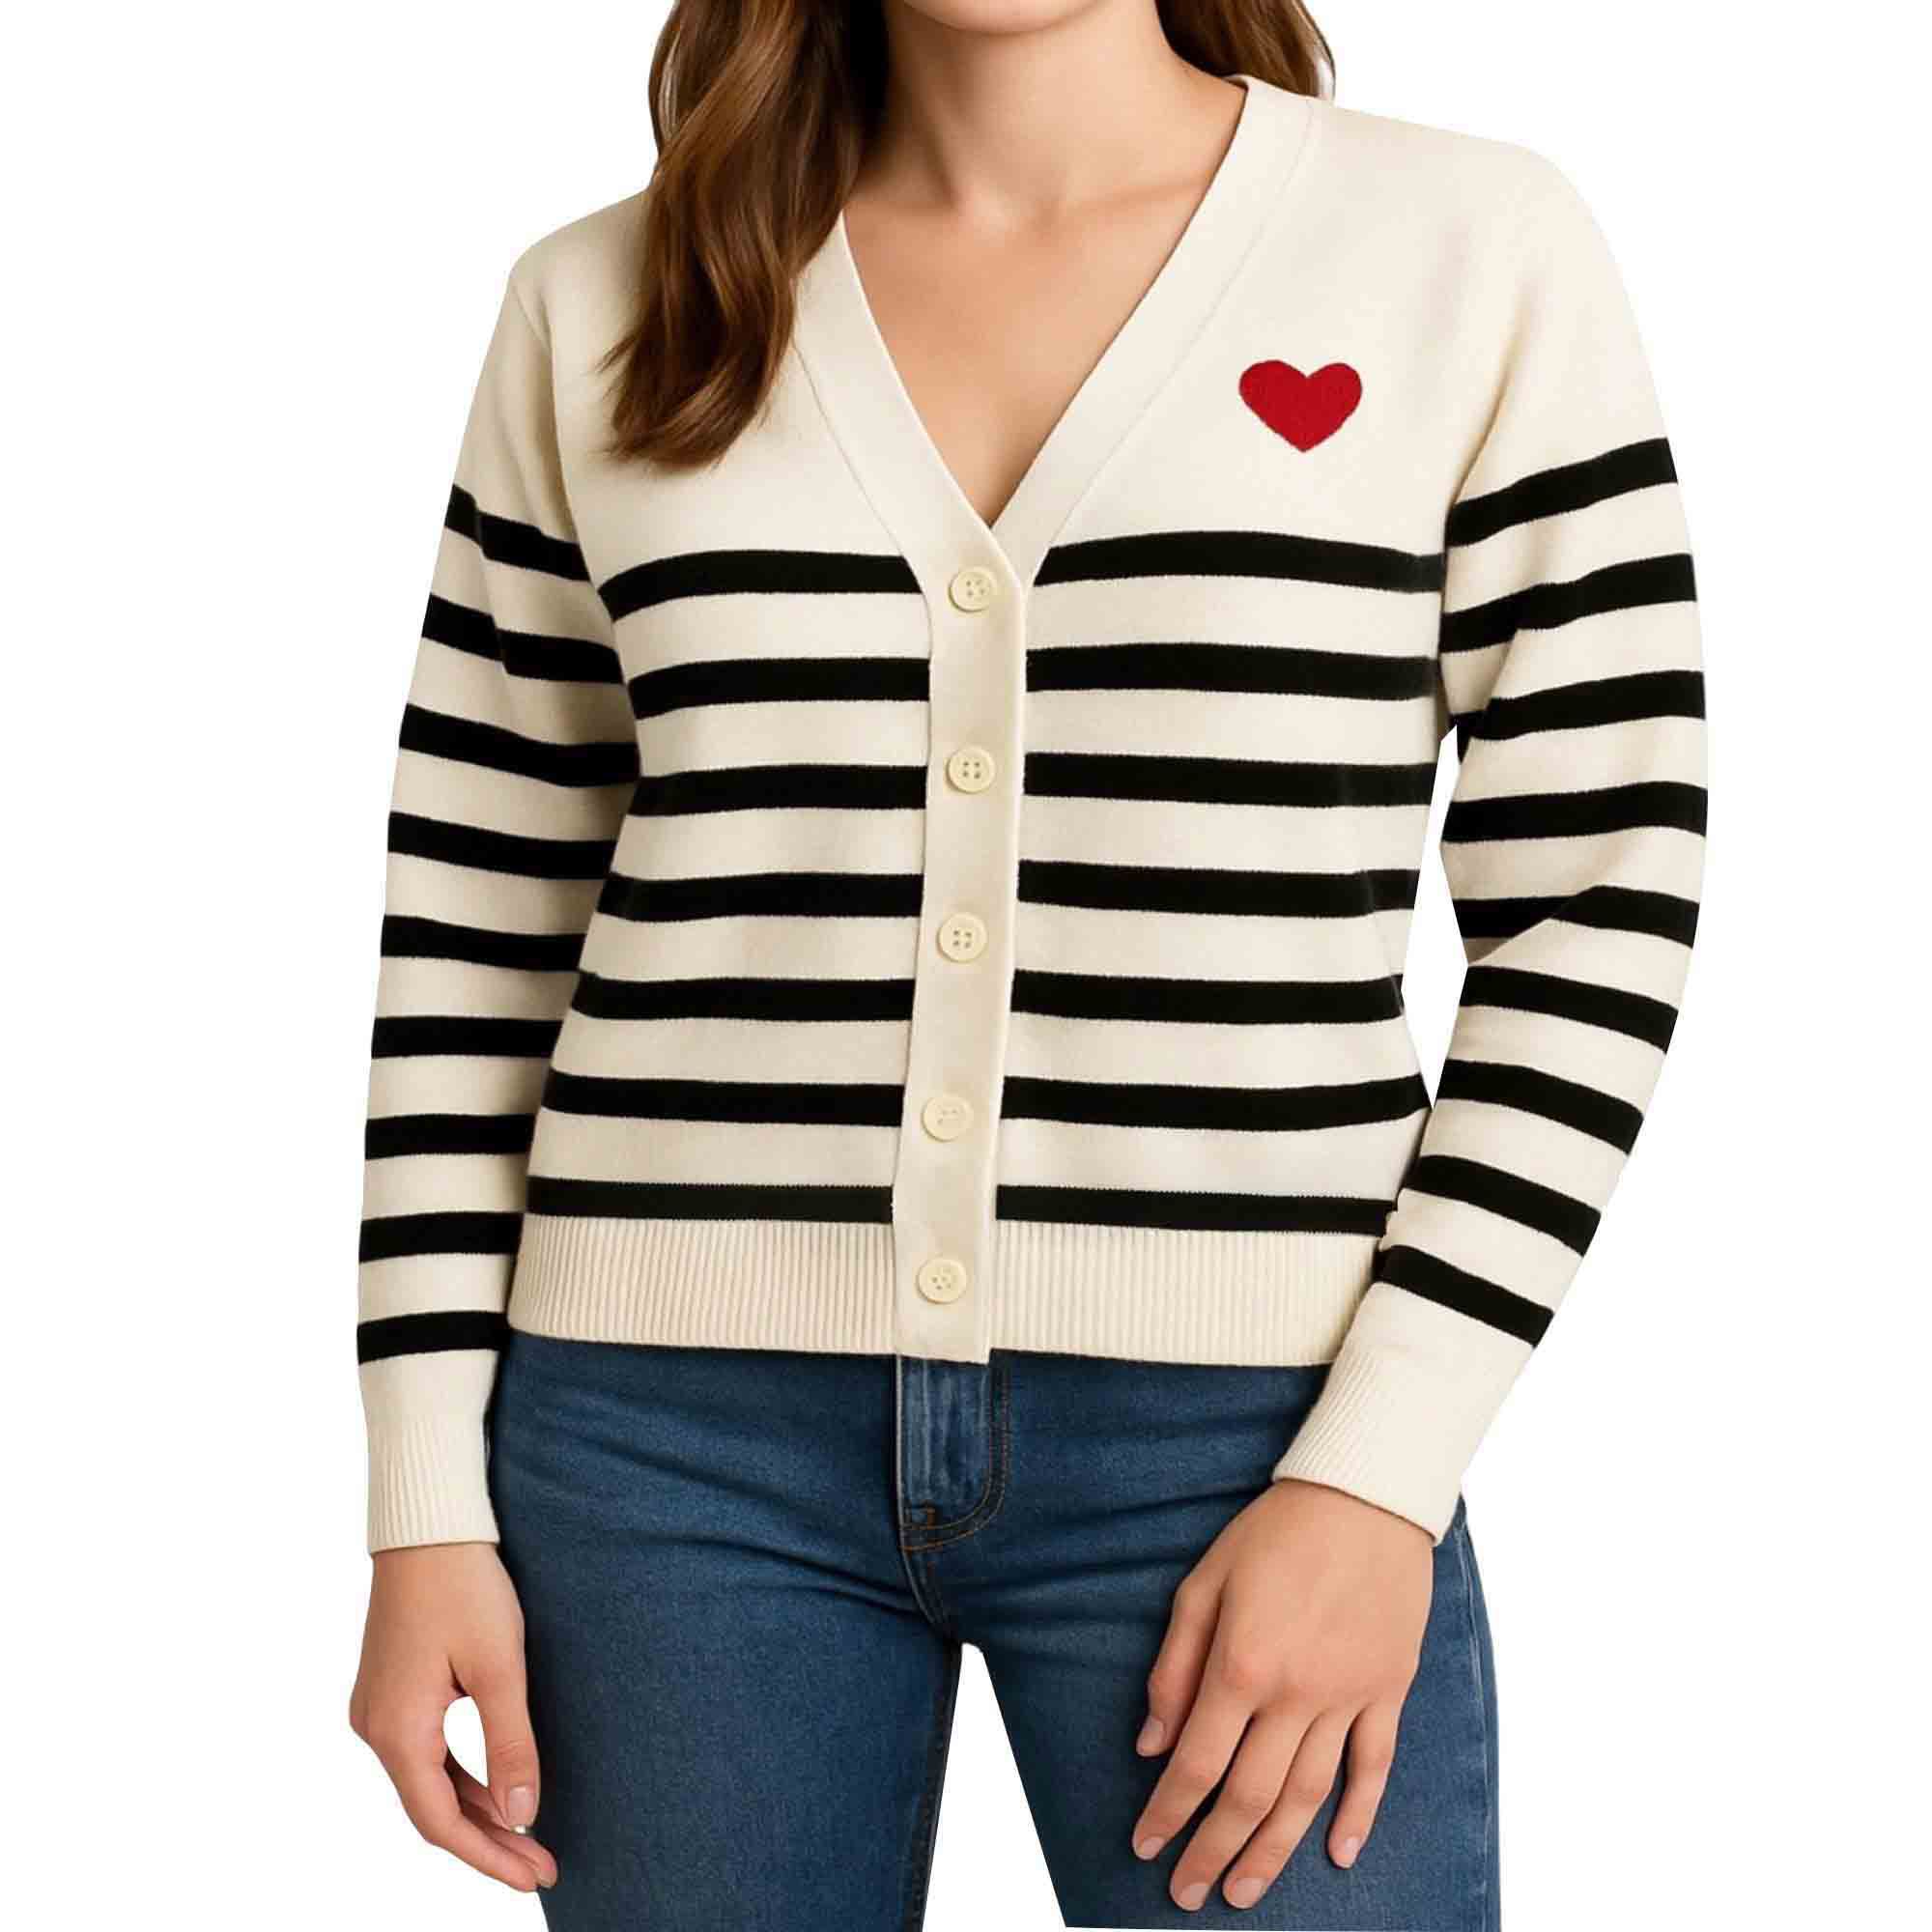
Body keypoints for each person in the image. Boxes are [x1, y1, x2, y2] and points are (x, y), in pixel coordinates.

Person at [347, 4, 1706, 1926]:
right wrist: (424, 1496)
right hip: (658, 1455)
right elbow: (476, 930)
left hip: (1249, 1445)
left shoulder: (1464, 255)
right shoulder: (606, 300)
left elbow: (1596, 898)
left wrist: (1378, 1472)